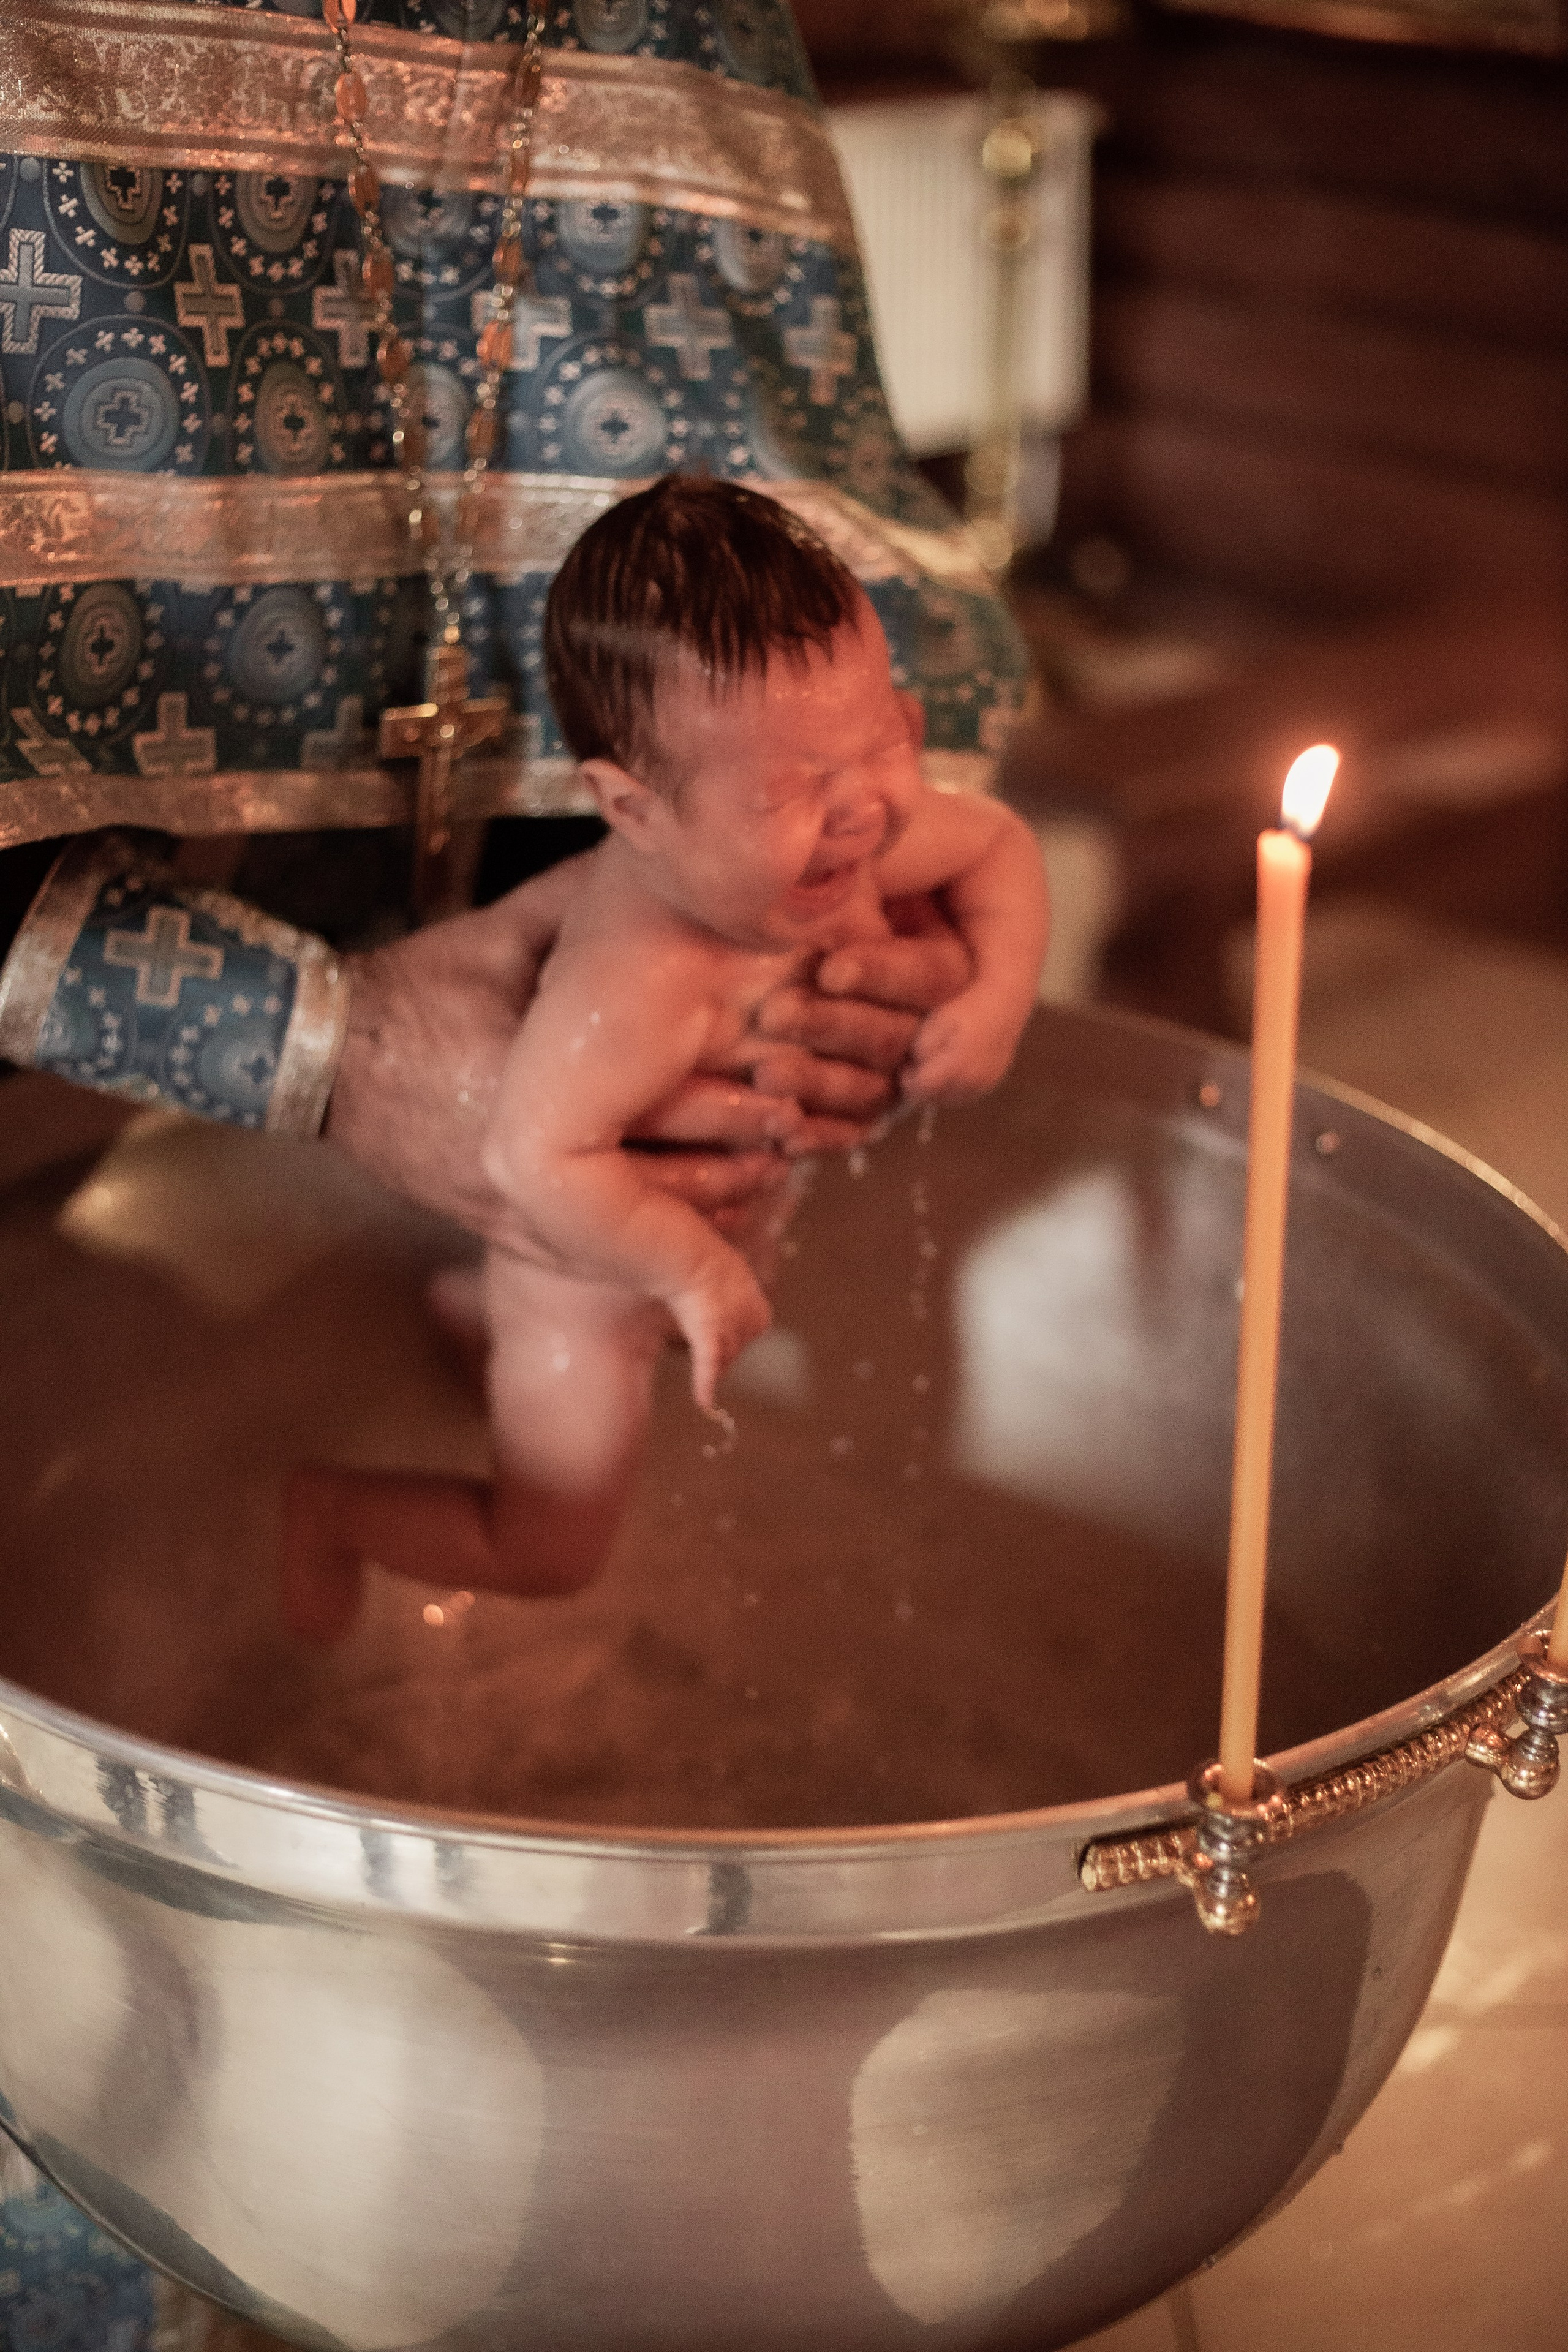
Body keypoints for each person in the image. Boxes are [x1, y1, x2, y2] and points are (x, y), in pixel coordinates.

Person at [283, 480, 1047, 1635]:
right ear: (633, 812)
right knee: (552, 1545)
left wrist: (994, 1003)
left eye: (888, 736)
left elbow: (1000, 846)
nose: (868, 813)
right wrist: (687, 1272)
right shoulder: (641, 981)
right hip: (582, 1293)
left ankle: (455, 1313)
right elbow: (533, 1157)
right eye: (793, 788)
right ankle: (329, 1510)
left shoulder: (859, 840)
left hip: (682, 1236)